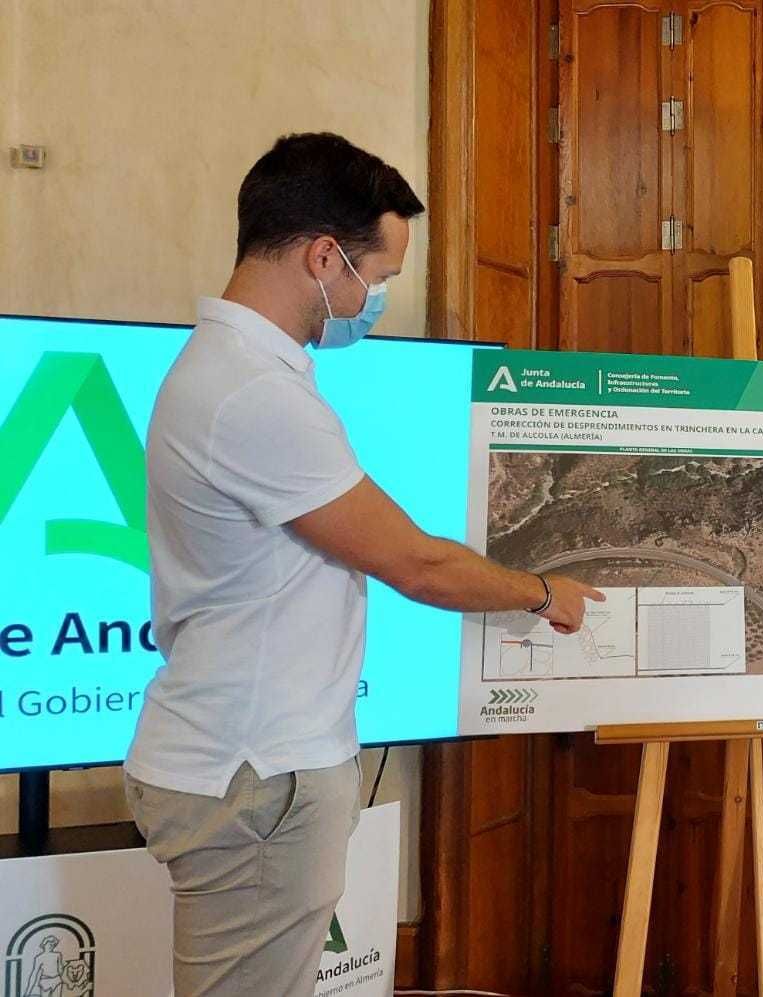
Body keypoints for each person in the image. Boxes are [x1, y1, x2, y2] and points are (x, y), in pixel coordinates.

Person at [122, 132, 603, 996]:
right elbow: (417, 562)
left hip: (243, 763)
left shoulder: (237, 371)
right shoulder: (252, 393)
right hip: (258, 774)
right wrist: (542, 592)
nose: (371, 300)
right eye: (374, 280)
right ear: (322, 256)